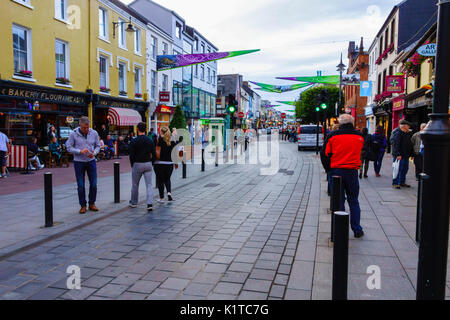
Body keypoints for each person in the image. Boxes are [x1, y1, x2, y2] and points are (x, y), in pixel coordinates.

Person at [320, 114, 365, 238]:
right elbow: (362, 150)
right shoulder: (359, 136)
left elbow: (324, 154)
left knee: (339, 201)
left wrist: (328, 169)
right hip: (352, 172)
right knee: (354, 201)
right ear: (352, 122)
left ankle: (339, 231)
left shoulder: (332, 136)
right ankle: (357, 229)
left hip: (336, 171)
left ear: (340, 123)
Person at [66, 116, 100, 214]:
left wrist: (95, 153)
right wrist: (80, 151)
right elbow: (69, 147)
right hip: (79, 162)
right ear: (80, 125)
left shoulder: (94, 133)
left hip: (91, 161)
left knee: (93, 184)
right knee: (80, 185)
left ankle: (92, 203)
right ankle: (83, 205)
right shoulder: (73, 134)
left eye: (87, 127)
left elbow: (98, 145)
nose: (86, 129)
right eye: (84, 128)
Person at [129, 122, 157, 212]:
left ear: (137, 129)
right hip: (147, 163)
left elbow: (131, 155)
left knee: (135, 184)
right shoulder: (150, 140)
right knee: (149, 184)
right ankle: (149, 203)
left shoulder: (134, 141)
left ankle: (134, 202)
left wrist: (132, 164)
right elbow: (154, 153)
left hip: (137, 164)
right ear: (145, 129)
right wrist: (151, 162)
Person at [154, 126, 179, 203]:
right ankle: (169, 194)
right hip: (169, 164)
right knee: (167, 179)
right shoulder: (172, 140)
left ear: (161, 132)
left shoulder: (159, 140)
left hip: (159, 163)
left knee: (160, 181)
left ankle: (161, 198)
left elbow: (154, 149)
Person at [390, 119, 414, 189]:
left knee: (405, 169)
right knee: (397, 169)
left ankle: (402, 182)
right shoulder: (397, 132)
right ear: (404, 126)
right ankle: (395, 183)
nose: (409, 127)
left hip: (406, 155)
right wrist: (397, 154)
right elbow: (395, 144)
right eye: (408, 126)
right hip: (399, 155)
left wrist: (411, 154)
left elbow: (410, 144)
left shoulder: (407, 133)